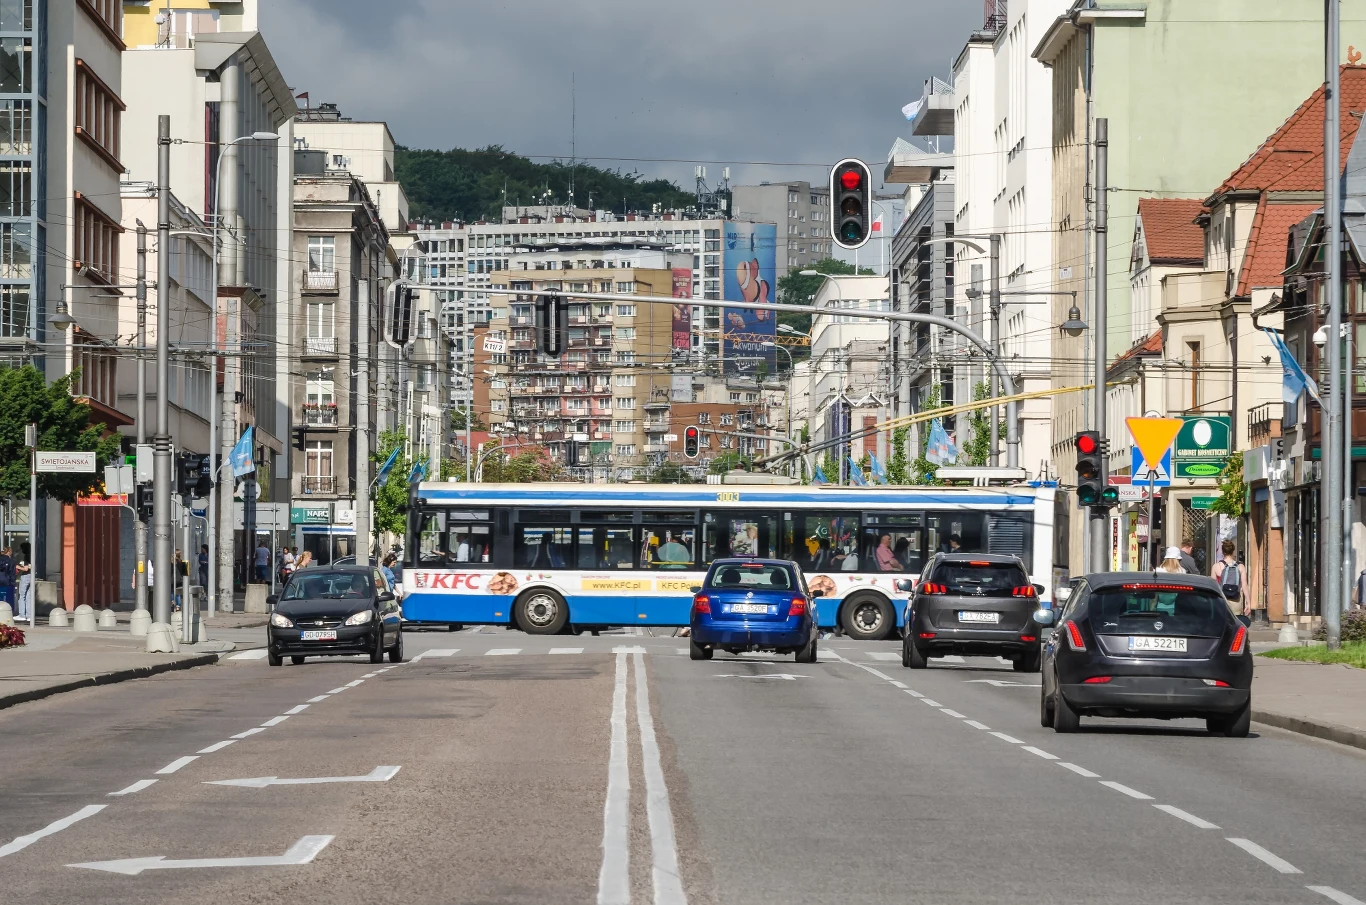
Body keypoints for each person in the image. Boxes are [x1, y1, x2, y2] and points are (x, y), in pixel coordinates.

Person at [1213, 539, 1250, 621]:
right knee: (1235, 623)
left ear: (1223, 552)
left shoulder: (1216, 566)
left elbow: (1213, 586)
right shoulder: (1240, 566)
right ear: (1233, 551)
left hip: (1222, 599)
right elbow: (1244, 586)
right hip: (1236, 599)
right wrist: (1248, 603)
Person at [14, 542, 30, 623]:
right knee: (28, 596)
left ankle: (22, 615)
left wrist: (17, 566)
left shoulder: (27, 556)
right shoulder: (33, 555)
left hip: (26, 576)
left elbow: (26, 569)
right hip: (31, 576)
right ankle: (29, 615)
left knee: (22, 595)